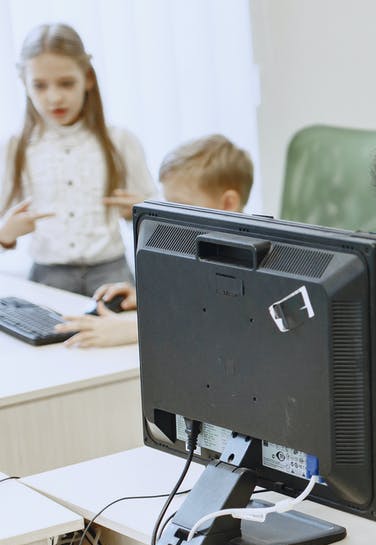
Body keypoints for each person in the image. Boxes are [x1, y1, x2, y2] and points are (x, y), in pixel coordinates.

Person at [54, 134, 254, 348]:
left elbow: (224, 323)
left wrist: (135, 329)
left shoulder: (248, 258)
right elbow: (192, 302)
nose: (171, 214)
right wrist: (146, 298)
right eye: (168, 203)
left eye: (180, 205)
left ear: (228, 203)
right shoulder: (197, 246)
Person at [1, 23, 156, 296]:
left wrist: (139, 212)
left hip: (112, 275)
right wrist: (5, 234)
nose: (55, 97)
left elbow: (158, 221)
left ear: (88, 78)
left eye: (66, 83)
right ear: (24, 84)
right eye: (39, 85)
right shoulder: (17, 147)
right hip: (48, 277)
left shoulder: (120, 141)